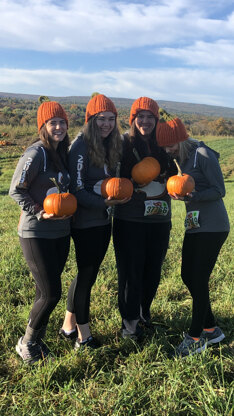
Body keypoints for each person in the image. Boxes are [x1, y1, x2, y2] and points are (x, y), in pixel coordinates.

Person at [156, 114, 230, 357]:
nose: (167, 149)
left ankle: (196, 336)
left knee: (198, 278)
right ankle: (211, 329)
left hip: (214, 225)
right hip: (194, 225)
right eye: (163, 146)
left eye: (170, 144)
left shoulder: (202, 154)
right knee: (188, 275)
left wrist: (193, 196)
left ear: (181, 139)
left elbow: (220, 190)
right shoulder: (180, 158)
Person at [60, 94, 128, 349]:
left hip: (101, 220)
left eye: (111, 119)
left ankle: (68, 325)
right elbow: (77, 190)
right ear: (91, 119)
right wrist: (105, 204)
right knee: (87, 275)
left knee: (87, 274)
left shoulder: (109, 144)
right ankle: (83, 336)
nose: (106, 124)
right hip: (86, 222)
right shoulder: (81, 146)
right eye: (101, 119)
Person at [9, 101, 71, 364]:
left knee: (42, 291)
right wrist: (38, 211)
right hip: (36, 232)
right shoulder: (36, 153)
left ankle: (37, 339)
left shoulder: (62, 152)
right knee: (51, 293)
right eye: (52, 123)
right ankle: (27, 343)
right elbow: (16, 189)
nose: (58, 127)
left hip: (60, 232)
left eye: (62, 122)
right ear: (43, 126)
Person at [112, 97, 176, 339]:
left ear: (157, 120)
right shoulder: (123, 144)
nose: (146, 121)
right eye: (141, 116)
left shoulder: (165, 145)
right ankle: (128, 324)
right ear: (133, 119)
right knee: (131, 271)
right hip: (130, 219)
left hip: (160, 218)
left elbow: (177, 172)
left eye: (151, 116)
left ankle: (143, 314)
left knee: (153, 270)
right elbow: (113, 178)